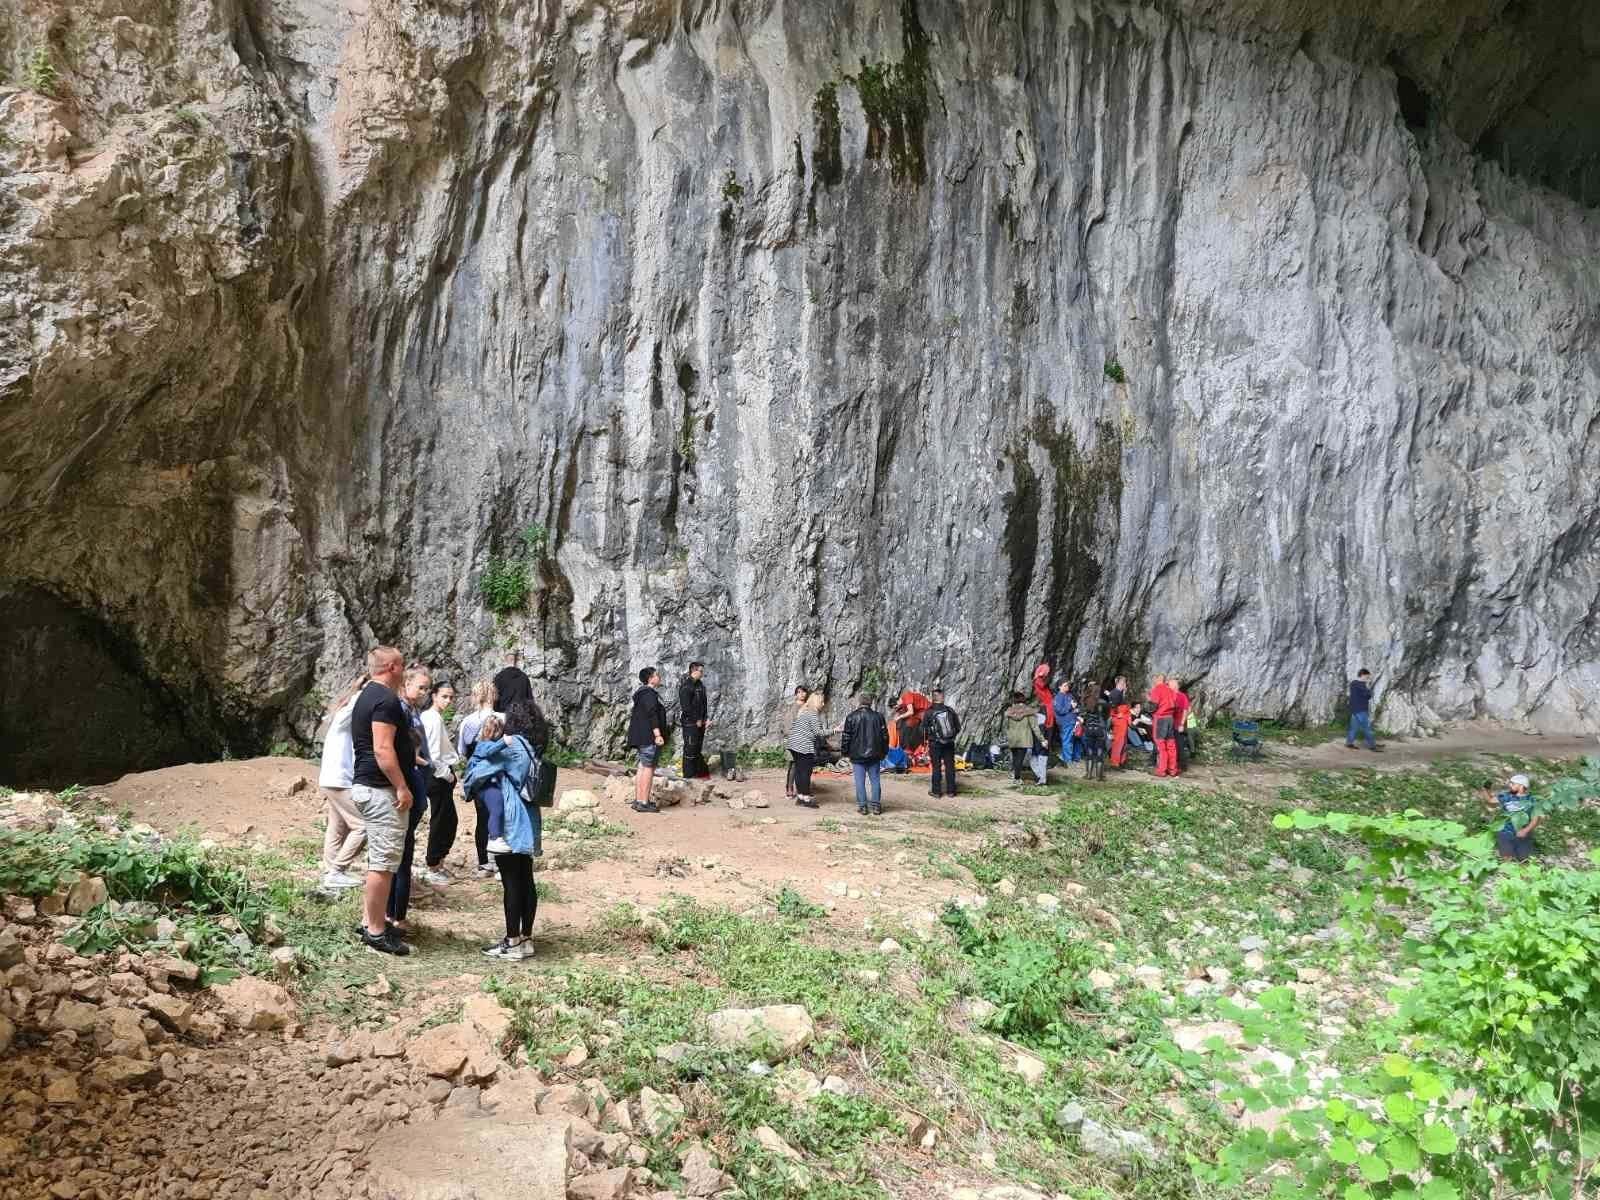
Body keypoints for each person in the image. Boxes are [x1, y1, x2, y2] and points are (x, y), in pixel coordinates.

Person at [462, 699, 548, 960]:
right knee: (526, 879)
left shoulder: (512, 746)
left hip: (512, 819)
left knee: (511, 882)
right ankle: (526, 938)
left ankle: (511, 942)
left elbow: (477, 770)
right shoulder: (533, 746)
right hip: (530, 818)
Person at [349, 646, 414, 957]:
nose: (404, 670)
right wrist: (401, 786)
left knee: (381, 860)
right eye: (401, 665)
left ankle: (370, 921)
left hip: (368, 786)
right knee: (384, 863)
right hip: (380, 789)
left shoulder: (366, 695)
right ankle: (375, 930)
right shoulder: (385, 699)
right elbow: (383, 750)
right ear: (390, 667)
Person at [384, 665, 433, 935]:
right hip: (406, 784)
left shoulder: (412, 711)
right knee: (400, 855)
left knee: (403, 853)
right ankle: (394, 916)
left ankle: (394, 913)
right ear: (405, 684)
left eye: (427, 688)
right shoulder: (401, 711)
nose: (424, 693)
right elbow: (402, 750)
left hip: (415, 784)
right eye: (421, 687)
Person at [316, 674, 368, 891]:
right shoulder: (349, 711)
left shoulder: (341, 712)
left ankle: (330, 874)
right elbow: (360, 699)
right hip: (338, 779)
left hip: (331, 777)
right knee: (363, 826)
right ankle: (337, 870)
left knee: (337, 827)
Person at [455, 679, 502, 878]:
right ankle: (501, 863)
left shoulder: (468, 721)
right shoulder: (503, 718)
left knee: (482, 819)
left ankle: (484, 864)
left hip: (479, 778)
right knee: (501, 816)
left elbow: (462, 751)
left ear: (475, 697)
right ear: (494, 695)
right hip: (501, 774)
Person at [419, 679, 459, 885]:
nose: (448, 700)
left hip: (436, 774)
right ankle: (433, 865)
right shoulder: (432, 719)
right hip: (437, 776)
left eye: (451, 697)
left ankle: (437, 863)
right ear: (433, 695)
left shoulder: (429, 717)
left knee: (446, 819)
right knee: (443, 820)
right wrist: (447, 774)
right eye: (444, 696)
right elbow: (433, 753)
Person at [627, 667, 669, 814]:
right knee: (648, 768)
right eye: (656, 675)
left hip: (640, 736)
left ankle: (639, 800)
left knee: (642, 767)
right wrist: (657, 734)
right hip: (648, 737)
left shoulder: (641, 694)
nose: (659, 677)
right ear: (650, 679)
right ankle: (644, 802)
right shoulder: (649, 694)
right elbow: (652, 715)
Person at [840, 694, 889, 815]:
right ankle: (876, 806)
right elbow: (885, 736)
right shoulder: (879, 717)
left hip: (857, 756)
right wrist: (884, 752)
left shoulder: (851, 717)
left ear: (859, 702)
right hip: (875, 755)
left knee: (859, 782)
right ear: (871, 703)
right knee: (875, 780)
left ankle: (863, 807)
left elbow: (846, 737)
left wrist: (845, 752)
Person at [786, 692, 828, 808]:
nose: (823, 704)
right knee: (805, 772)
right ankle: (807, 799)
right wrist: (835, 730)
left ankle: (800, 798)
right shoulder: (812, 714)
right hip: (803, 746)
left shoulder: (804, 712)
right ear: (816, 702)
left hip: (794, 744)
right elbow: (819, 733)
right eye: (822, 702)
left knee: (799, 771)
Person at [1492, 773, 1540, 862]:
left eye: (1513, 784)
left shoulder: (1532, 800)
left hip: (1523, 834)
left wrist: (1525, 831)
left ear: (1522, 786)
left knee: (1523, 860)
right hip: (1505, 832)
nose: (1510, 785)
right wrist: (1484, 789)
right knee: (1506, 858)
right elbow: (1490, 800)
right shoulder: (1505, 796)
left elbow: (1535, 819)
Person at [924, 688, 961, 798]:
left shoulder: (929, 712)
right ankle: (951, 791)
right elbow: (957, 727)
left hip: (934, 743)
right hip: (949, 743)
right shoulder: (950, 710)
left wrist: (929, 739)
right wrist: (951, 737)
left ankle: (936, 791)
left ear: (933, 698)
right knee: (950, 766)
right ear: (942, 697)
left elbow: (924, 729)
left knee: (936, 766)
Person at [1004, 692, 1046, 785]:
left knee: (1015, 758)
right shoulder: (1028, 711)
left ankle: (1015, 775)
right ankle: (1017, 778)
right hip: (1024, 738)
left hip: (1012, 738)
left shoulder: (1009, 711)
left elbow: (1006, 726)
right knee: (1020, 759)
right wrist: (1042, 739)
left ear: (1014, 700)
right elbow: (1035, 727)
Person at [678, 663, 710, 779]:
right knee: (690, 748)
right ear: (693, 671)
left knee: (697, 748)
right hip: (690, 723)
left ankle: (698, 773)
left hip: (700, 722)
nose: (702, 674)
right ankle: (688, 776)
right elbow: (686, 707)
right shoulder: (686, 687)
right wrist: (696, 719)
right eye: (701, 671)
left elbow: (703, 704)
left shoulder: (700, 686)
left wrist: (706, 718)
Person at [1150, 673, 1179, 778]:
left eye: (1154, 678)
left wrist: (1148, 710)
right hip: (1170, 719)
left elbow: (1153, 706)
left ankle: (1161, 770)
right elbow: (1175, 705)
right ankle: (1172, 770)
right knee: (1171, 744)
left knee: (1160, 745)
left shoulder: (1157, 689)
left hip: (1160, 718)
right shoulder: (1170, 690)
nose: (1153, 680)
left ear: (1158, 679)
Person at [784, 685, 811, 797]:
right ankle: (789, 787)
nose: (802, 694)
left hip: (806, 741)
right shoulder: (793, 709)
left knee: (806, 766)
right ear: (796, 694)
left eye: (804, 692)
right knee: (794, 764)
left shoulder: (808, 708)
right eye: (799, 692)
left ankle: (803, 789)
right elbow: (787, 727)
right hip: (794, 740)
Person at [1346, 669, 1381, 752]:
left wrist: (1366, 688)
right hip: (1361, 710)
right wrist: (1368, 686)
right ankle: (1372, 746)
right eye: (1367, 676)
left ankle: (1349, 743)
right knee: (1367, 728)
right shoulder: (1359, 684)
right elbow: (1368, 695)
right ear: (1362, 675)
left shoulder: (1353, 684)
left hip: (1355, 709)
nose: (1368, 678)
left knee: (1354, 727)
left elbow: (1367, 696)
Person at [1080, 684, 1109, 780]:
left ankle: (1088, 775)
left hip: (1089, 729)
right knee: (1100, 751)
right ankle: (1099, 776)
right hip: (1100, 729)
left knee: (1089, 751)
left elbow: (1082, 715)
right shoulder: (1103, 703)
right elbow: (1106, 717)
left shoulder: (1086, 701)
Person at [1107, 676, 1131, 768]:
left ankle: (1120, 761)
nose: (1125, 685)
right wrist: (1117, 714)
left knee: (1123, 741)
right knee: (1118, 741)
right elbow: (1113, 707)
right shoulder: (1115, 693)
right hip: (1119, 721)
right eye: (1123, 683)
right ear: (1119, 683)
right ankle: (1115, 762)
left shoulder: (1119, 693)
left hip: (1122, 720)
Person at [1052, 682, 1078, 765]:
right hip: (1065, 722)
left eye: (1068, 685)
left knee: (1070, 740)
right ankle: (1067, 760)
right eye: (1065, 685)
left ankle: (1066, 757)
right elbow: (1059, 710)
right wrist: (1071, 707)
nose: (1067, 687)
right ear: (1059, 687)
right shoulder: (1058, 697)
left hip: (1072, 721)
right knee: (1066, 740)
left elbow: (1075, 706)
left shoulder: (1069, 695)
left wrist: (1076, 711)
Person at [1171, 679, 1193, 771]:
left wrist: (1181, 723)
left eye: (1169, 685)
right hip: (1170, 724)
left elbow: (1187, 710)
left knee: (1179, 745)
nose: (1168, 686)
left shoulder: (1181, 696)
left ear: (1175, 686)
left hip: (1178, 725)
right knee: (1172, 745)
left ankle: (1182, 766)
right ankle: (1173, 764)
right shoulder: (1170, 695)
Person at [1032, 662, 1056, 733]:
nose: (1047, 673)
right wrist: (1046, 677)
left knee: (1050, 719)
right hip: (1046, 703)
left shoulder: (1039, 679)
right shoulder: (1038, 680)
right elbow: (1042, 685)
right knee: (1048, 720)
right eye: (1046, 672)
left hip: (1048, 702)